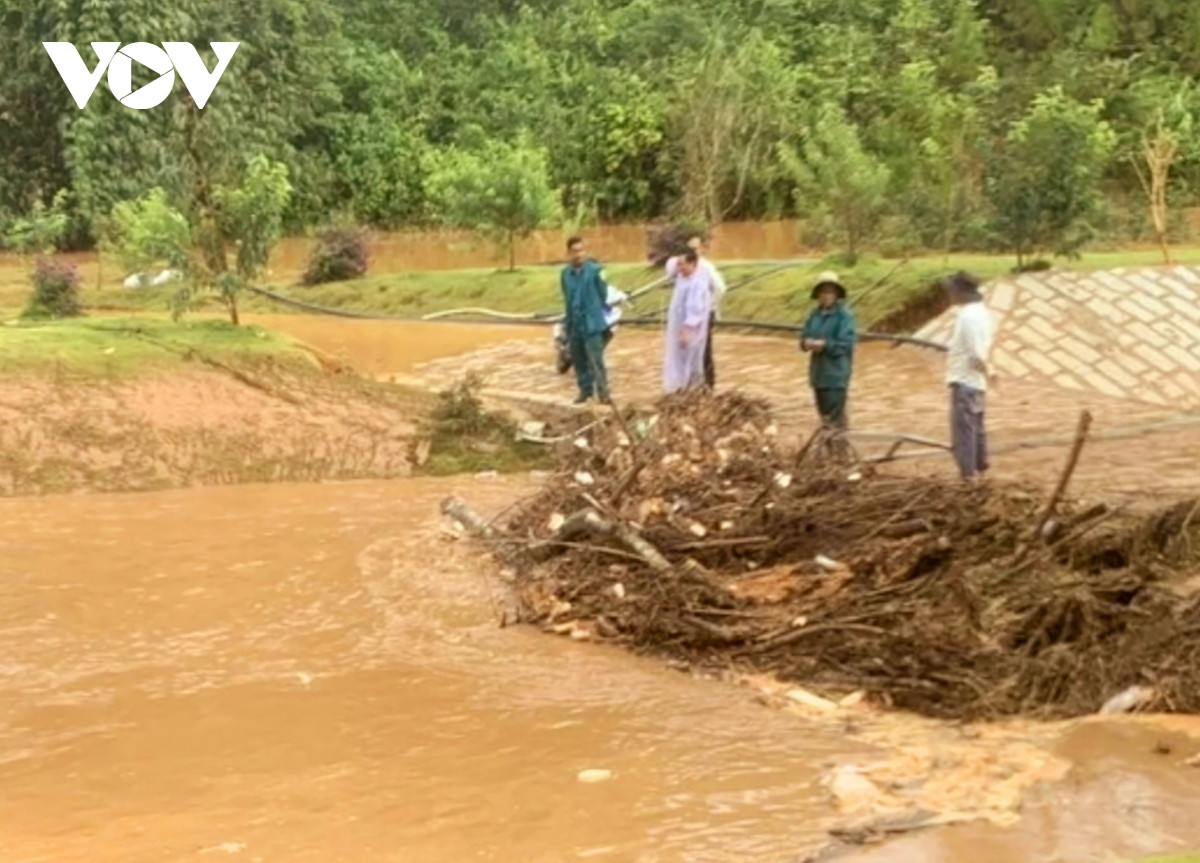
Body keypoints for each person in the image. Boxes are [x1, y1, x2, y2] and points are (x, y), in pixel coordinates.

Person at [942, 271, 995, 484]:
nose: (950, 295)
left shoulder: (967, 316)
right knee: (977, 429)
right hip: (976, 383)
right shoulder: (981, 313)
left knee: (964, 433)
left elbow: (975, 354)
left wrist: (989, 370)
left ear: (961, 292)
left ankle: (969, 478)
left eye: (952, 290)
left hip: (965, 381)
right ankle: (979, 473)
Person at [800, 271, 858, 435]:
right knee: (824, 418)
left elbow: (846, 344)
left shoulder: (844, 317)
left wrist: (825, 345)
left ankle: (839, 455)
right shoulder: (814, 314)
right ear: (818, 294)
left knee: (835, 421)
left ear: (836, 295)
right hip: (818, 376)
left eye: (830, 292)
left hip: (836, 376)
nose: (826, 296)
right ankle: (831, 454)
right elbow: (804, 336)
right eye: (823, 291)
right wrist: (806, 343)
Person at [560, 236, 612, 404]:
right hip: (575, 323)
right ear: (569, 253)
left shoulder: (596, 271)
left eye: (581, 250)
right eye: (575, 251)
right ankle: (585, 391)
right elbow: (567, 298)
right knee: (578, 360)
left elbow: (603, 295)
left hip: (592, 323)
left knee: (595, 359)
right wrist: (568, 326)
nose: (579, 254)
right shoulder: (565, 274)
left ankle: (604, 394)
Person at [663, 249, 713, 394]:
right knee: (675, 357)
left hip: (690, 328)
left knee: (690, 358)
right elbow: (670, 265)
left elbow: (695, 309)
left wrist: (686, 330)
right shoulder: (682, 276)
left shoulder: (698, 282)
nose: (679, 267)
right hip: (677, 324)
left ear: (693, 264)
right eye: (679, 264)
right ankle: (676, 387)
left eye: (683, 264)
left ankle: (690, 389)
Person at [686, 234, 727, 388]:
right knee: (689, 348)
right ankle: (692, 382)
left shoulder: (707, 267)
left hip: (705, 313)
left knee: (704, 349)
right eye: (690, 249)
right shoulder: (685, 266)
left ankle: (709, 384)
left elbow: (720, 288)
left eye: (695, 248)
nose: (693, 251)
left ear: (701, 249)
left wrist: (711, 306)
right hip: (689, 315)